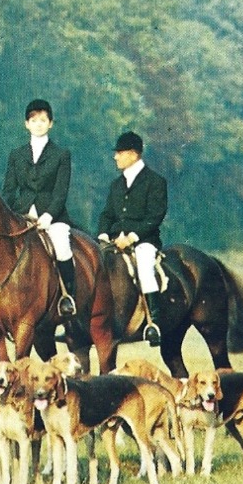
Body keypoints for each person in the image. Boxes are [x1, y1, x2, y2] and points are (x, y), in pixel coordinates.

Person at [2, 99, 78, 318]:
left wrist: (48, 215)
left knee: (62, 246)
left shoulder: (61, 154)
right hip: (22, 214)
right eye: (33, 120)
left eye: (43, 120)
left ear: (50, 123)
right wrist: (13, 214)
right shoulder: (16, 155)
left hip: (52, 215)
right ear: (26, 124)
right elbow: (8, 190)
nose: (38, 124)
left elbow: (60, 192)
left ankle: (67, 297)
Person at [98, 131, 168, 344]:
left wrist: (131, 238)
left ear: (133, 154)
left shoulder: (155, 181)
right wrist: (102, 235)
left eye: (119, 153)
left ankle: (153, 323)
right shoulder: (116, 184)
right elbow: (107, 213)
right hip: (113, 241)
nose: (115, 157)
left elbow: (155, 216)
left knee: (145, 267)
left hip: (144, 241)